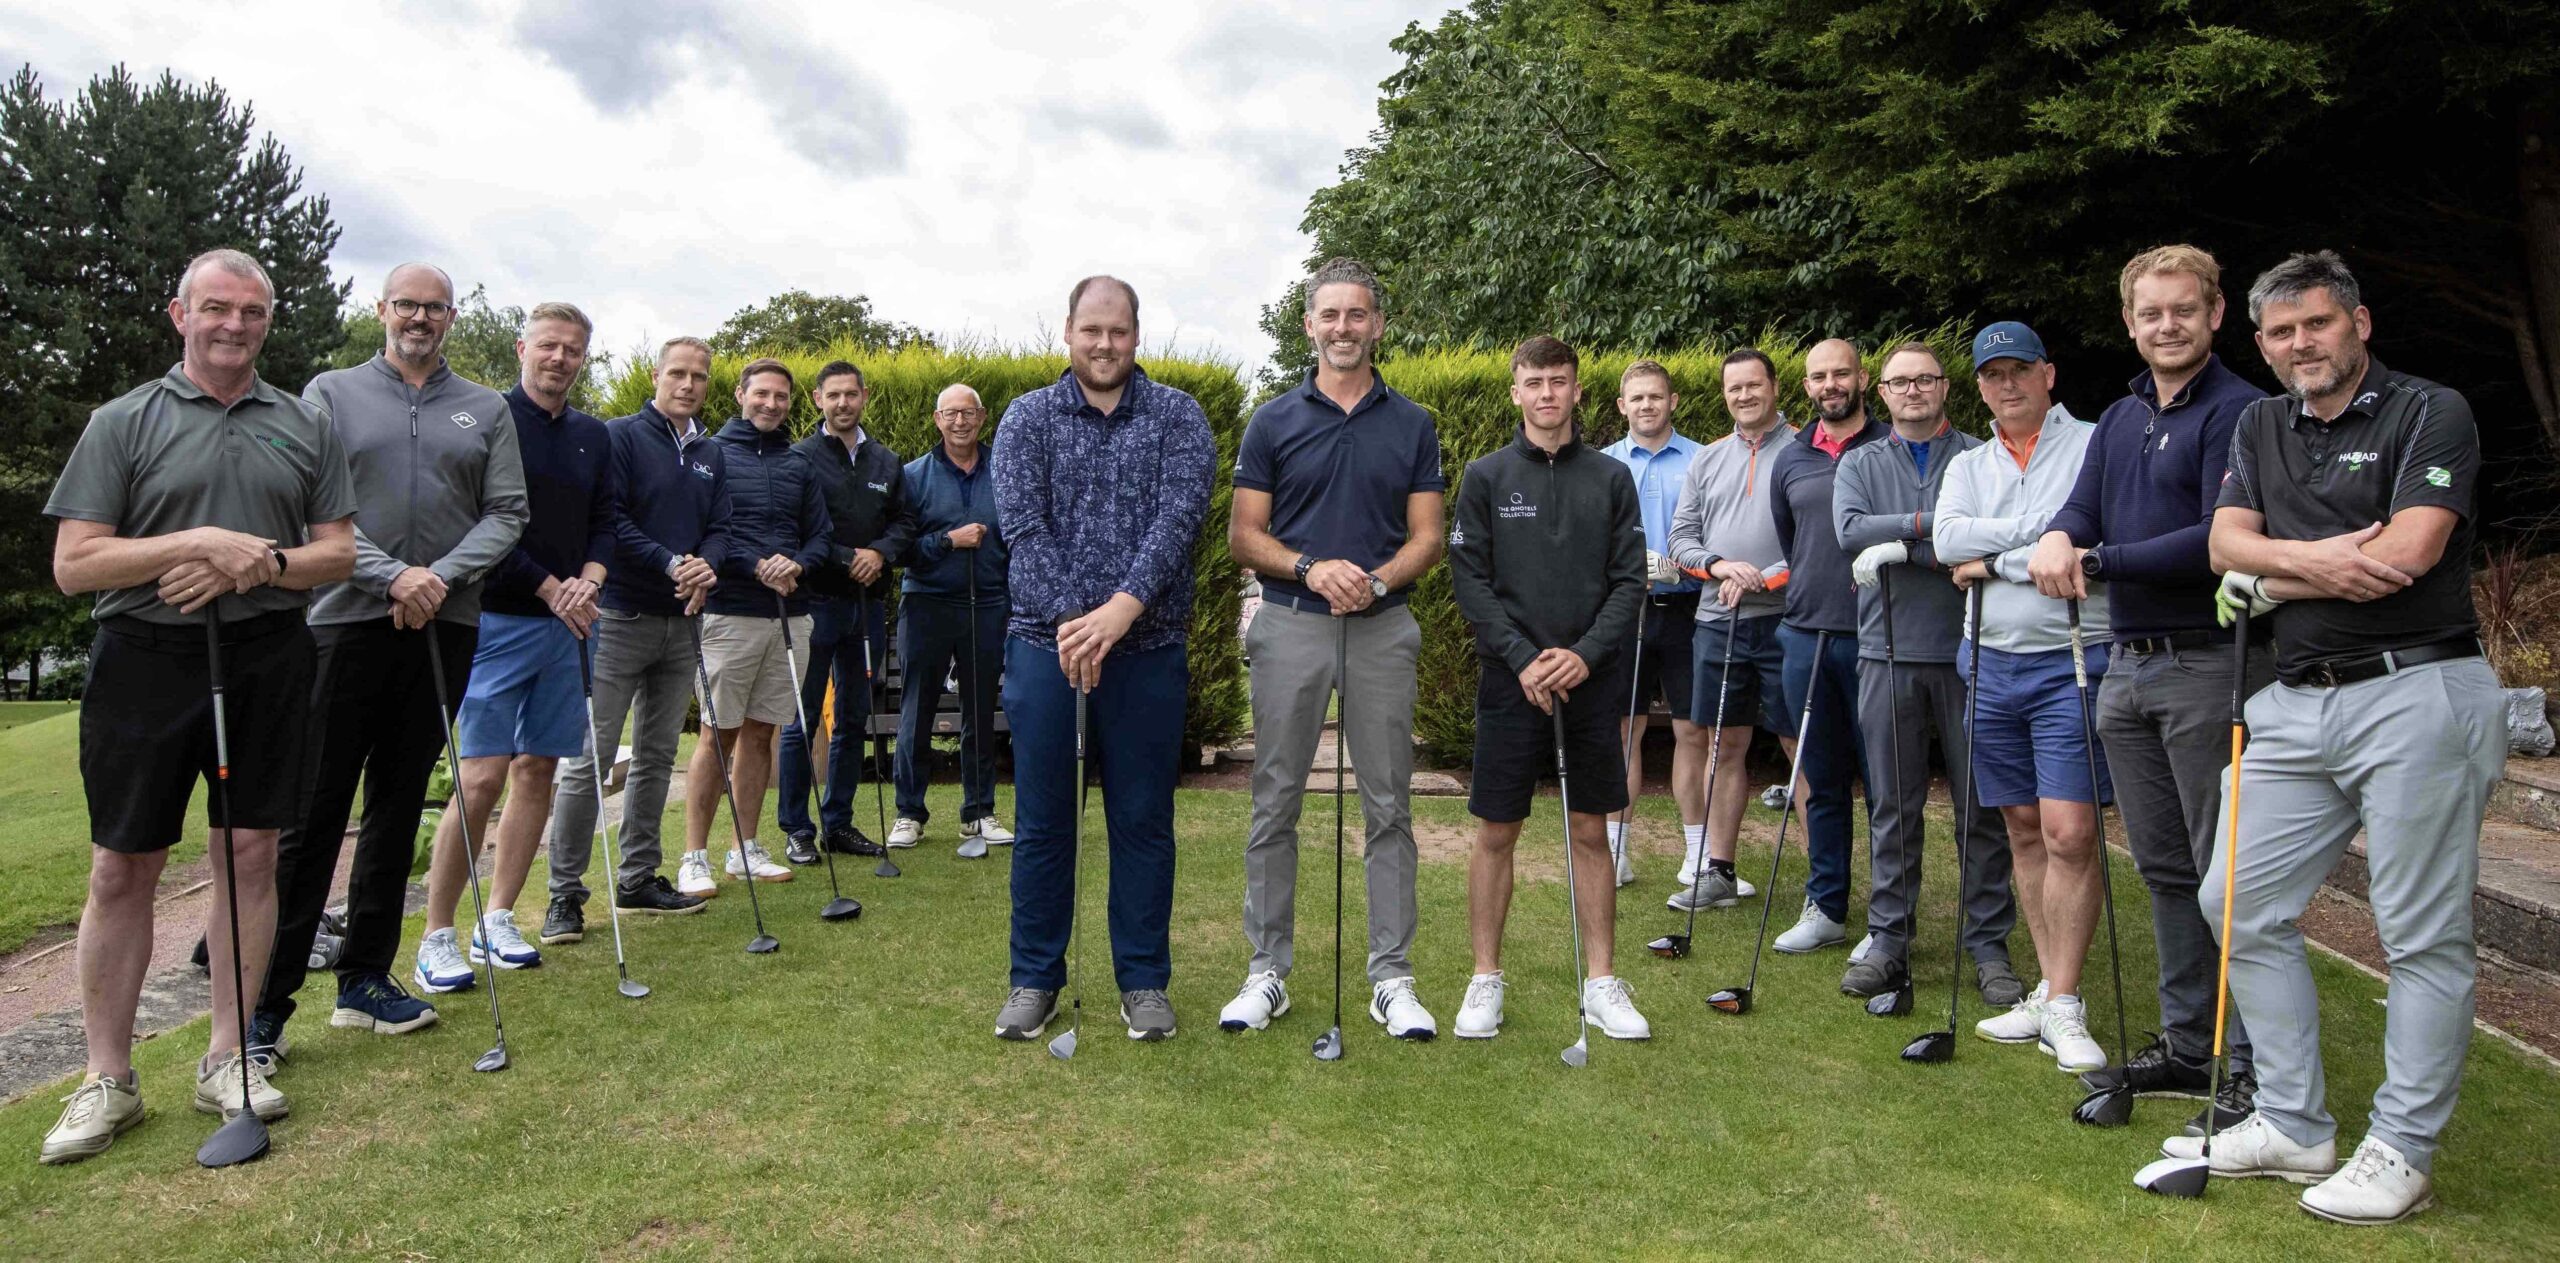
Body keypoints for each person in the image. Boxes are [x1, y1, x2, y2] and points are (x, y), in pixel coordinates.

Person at [2166, 250, 2503, 1225]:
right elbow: (2222, 543)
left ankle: (2400, 1147)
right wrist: (2307, 562)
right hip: (2292, 701)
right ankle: (2293, 1120)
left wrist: (2269, 580)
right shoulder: (2258, 422)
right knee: (2234, 898)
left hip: (2418, 691)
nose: (2299, 344)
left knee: (2419, 933)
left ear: (2358, 325)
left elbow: (2404, 556)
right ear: (2261, 344)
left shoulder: (2428, 410)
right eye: (2279, 332)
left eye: (2316, 324)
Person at [39, 249, 356, 1164]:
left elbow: (337, 550)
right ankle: (108, 1077)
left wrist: (262, 561)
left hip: (266, 652)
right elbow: (76, 564)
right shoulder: (122, 420)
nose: (234, 326)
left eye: (251, 313)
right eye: (215, 308)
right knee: (121, 866)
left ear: (267, 322)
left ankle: (231, 1056)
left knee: (250, 853)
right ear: (179, 314)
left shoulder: (302, 422)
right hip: (145, 658)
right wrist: (201, 542)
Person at [258, 263, 527, 1057]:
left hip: (442, 623)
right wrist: (391, 573)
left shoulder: (484, 408)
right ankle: (267, 1002)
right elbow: (309, 508)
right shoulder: (331, 392)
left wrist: (437, 577)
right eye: (406, 304)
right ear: (381, 310)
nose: (420, 317)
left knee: (399, 800)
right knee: (313, 811)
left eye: (434, 306)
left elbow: (507, 510)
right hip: (344, 619)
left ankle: (365, 978)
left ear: (451, 316)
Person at [2029, 244, 2266, 1127]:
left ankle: (2249, 1067)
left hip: (2209, 664)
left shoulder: (2243, 412)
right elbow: (2078, 507)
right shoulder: (2122, 417)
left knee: (2224, 877)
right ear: (2130, 322)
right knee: (2164, 868)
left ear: (2216, 312)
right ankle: (2185, 1042)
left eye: (2183, 309)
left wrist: (2095, 559)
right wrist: (2059, 536)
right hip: (2124, 667)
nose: (2166, 325)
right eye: (2150, 312)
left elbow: (2216, 537)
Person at [1219, 258, 1445, 1040]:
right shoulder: (1273, 419)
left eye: (1358, 315)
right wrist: (1315, 568)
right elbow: (1244, 536)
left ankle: (1393, 976)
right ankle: (1267, 970)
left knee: (1389, 804)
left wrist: (1373, 583)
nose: (1344, 328)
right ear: (1309, 325)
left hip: (1383, 626)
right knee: (1274, 799)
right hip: (1290, 621)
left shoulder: (1411, 422)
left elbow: (1429, 536)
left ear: (1377, 324)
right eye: (1330, 315)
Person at [990, 276, 1215, 1044]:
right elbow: (1022, 527)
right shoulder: (1026, 418)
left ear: (1137, 335)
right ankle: (1034, 979)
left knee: (1144, 821)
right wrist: (1072, 622)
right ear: (1068, 331)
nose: (1105, 344)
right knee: (1045, 824)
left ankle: (1144, 981)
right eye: (1092, 330)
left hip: (1147, 651)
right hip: (1044, 648)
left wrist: (1118, 612)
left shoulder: (1178, 417)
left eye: (1118, 331)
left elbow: (1178, 521)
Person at [1447, 335, 1649, 1042]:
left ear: (1577, 390)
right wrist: (1524, 657)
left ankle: (1600, 982)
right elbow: (1469, 580)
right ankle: (1484, 980)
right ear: (1515, 392)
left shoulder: (1610, 478)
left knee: (1590, 829)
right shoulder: (1487, 475)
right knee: (1497, 829)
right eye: (1532, 382)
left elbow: (1630, 581)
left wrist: (1584, 656)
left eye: (1557, 381)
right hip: (1513, 682)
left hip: (1588, 683)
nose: (1546, 394)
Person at [412, 303, 615, 981]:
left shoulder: (592, 434)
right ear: (523, 347)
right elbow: (480, 525)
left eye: (574, 350)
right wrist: (550, 586)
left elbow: (607, 519)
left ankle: (496, 916)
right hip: (496, 618)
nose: (561, 359)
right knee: (479, 777)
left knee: (539, 771)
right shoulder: (487, 419)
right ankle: (438, 930)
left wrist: (589, 578)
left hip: (570, 624)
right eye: (550, 346)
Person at [1932, 321, 2110, 1066]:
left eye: (2020, 371)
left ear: (2048, 373)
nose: (2007, 385)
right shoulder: (1969, 462)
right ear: (1979, 385)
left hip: (2073, 654)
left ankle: (2064, 1004)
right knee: (2024, 829)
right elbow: (1946, 542)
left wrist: (1988, 555)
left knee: (2071, 830)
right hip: (1991, 661)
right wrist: (2028, 546)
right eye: (1992, 374)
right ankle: (2048, 988)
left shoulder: (2096, 443)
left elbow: (2084, 532)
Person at [1833, 341, 2017, 1006]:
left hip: (1974, 650)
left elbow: (1993, 535)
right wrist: (1934, 532)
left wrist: (1903, 545)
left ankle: (1989, 943)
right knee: (1892, 805)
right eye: (1900, 381)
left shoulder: (1979, 457)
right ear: (1880, 392)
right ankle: (1889, 937)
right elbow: (1850, 530)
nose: (1913, 390)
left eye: (1925, 379)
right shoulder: (1858, 460)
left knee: (1981, 806)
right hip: (1886, 652)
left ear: (1945, 387)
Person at [542, 338, 728, 921]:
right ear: (656, 374)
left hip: (683, 620)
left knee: (655, 755)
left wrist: (706, 566)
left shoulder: (711, 451)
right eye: (678, 373)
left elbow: (721, 526)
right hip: (619, 616)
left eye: (699, 376)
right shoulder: (619, 435)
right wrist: (673, 562)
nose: (688, 385)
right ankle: (564, 893)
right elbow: (613, 520)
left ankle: (638, 877)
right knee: (591, 758)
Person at [676, 358, 834, 894]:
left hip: (790, 614)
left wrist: (798, 563)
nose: (771, 404)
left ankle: (745, 847)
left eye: (781, 397)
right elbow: (706, 530)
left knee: (763, 733)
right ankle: (693, 854)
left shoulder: (799, 463)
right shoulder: (712, 454)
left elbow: (820, 536)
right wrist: (755, 564)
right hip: (731, 612)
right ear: (741, 394)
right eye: (761, 393)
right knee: (716, 735)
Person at [1762, 339, 1881, 956]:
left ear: (1863, 377)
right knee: (1822, 779)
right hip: (1807, 636)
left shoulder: (1890, 448)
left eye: (1841, 373)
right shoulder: (1792, 456)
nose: (1830, 384)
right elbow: (1795, 538)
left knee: (1886, 786)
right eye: (1818, 376)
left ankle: (1890, 921)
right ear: (1805, 386)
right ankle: (1827, 906)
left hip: (1879, 640)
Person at [1663, 348, 1792, 913]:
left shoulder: (1808, 452)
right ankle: (1717, 869)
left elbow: (1820, 544)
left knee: (1802, 747)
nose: (1744, 396)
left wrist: (1767, 577)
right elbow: (1680, 540)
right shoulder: (1708, 459)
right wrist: (1716, 565)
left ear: (1775, 388)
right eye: (1733, 388)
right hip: (1719, 621)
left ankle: (1825, 890)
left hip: (1792, 620)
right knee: (1724, 743)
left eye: (1753, 386)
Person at [780, 359, 911, 864]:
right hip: (815, 603)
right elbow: (795, 531)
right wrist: (844, 557)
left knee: (854, 718)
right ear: (817, 399)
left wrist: (879, 553)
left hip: (867, 606)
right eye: (832, 395)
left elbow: (905, 524)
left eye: (850, 395)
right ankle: (797, 827)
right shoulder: (800, 458)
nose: (842, 403)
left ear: (865, 396)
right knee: (803, 718)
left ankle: (839, 822)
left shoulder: (886, 461)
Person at [1600, 360, 1709, 890]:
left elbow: (1719, 531)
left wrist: (1686, 565)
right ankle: (1616, 852)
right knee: (1625, 730)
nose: (1647, 405)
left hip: (1689, 608)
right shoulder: (1602, 464)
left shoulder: (1703, 460)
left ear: (1673, 401)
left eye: (1656, 397)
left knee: (1694, 729)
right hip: (1624, 612)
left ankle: (1699, 855)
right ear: (1622, 406)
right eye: (1637, 398)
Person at [890, 384, 1013, 852]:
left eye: (968, 412)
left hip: (988, 603)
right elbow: (897, 550)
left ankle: (979, 813)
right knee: (916, 710)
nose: (959, 421)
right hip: (927, 603)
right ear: (937, 420)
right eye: (950, 414)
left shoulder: (1004, 471)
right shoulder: (913, 476)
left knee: (980, 712)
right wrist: (947, 541)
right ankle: (909, 813)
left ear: (982, 416)